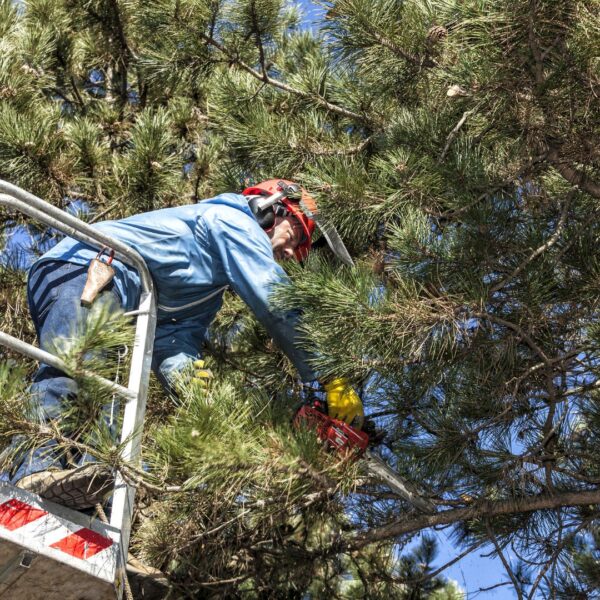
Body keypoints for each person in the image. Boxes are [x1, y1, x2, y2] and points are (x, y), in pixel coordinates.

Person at [10, 179, 364, 508]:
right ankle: (34, 471)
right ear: (270, 209)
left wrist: (198, 395)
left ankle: (77, 500)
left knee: (107, 399)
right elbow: (276, 302)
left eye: (302, 249)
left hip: (116, 291)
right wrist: (329, 375)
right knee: (79, 365)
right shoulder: (231, 221)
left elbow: (173, 341)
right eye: (297, 235)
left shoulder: (206, 291)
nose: (296, 252)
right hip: (86, 269)